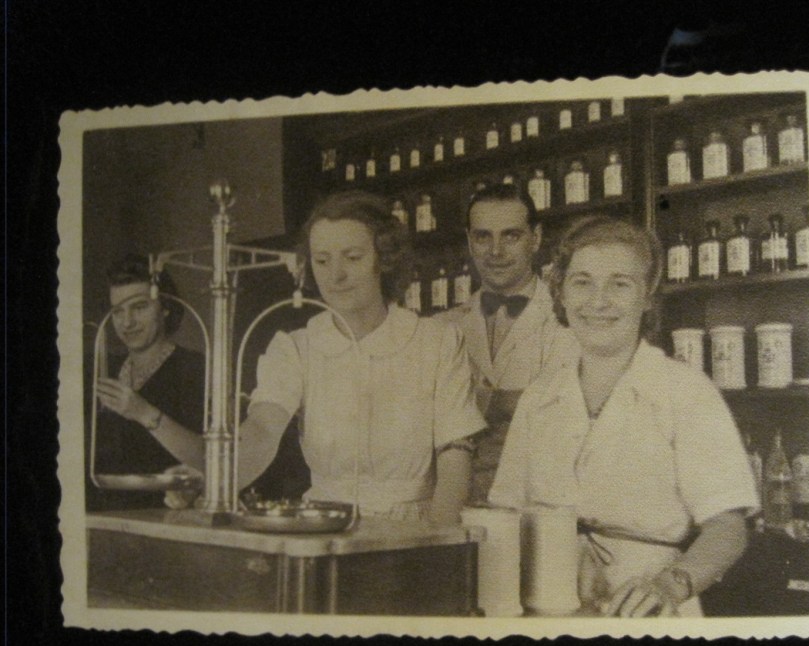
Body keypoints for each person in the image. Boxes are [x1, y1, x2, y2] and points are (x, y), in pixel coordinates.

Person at [488, 215, 759, 617]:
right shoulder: (539, 397)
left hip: (646, 607)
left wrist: (669, 585)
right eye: (582, 282)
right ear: (560, 293)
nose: (598, 301)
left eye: (620, 284)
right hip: (546, 600)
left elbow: (728, 527)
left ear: (646, 296)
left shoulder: (686, 391)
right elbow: (506, 513)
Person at [239, 190, 485, 524]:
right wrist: (210, 481)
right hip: (322, 527)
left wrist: (438, 540)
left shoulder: (437, 342)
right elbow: (262, 431)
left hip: (412, 528)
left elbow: (455, 456)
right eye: (322, 261)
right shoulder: (296, 348)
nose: (335, 275)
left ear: (384, 259)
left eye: (352, 258)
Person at [438, 184, 578, 503]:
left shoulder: (570, 324)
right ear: (469, 241)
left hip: (539, 507)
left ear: (536, 238)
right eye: (483, 237)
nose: (496, 251)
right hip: (457, 507)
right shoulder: (442, 329)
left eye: (511, 236)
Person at [88, 255, 205, 511]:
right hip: (102, 516)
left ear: (165, 308)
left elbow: (208, 458)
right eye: (118, 311)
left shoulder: (195, 369)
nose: (127, 322)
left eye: (139, 307)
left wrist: (142, 411)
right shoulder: (103, 369)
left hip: (163, 518)